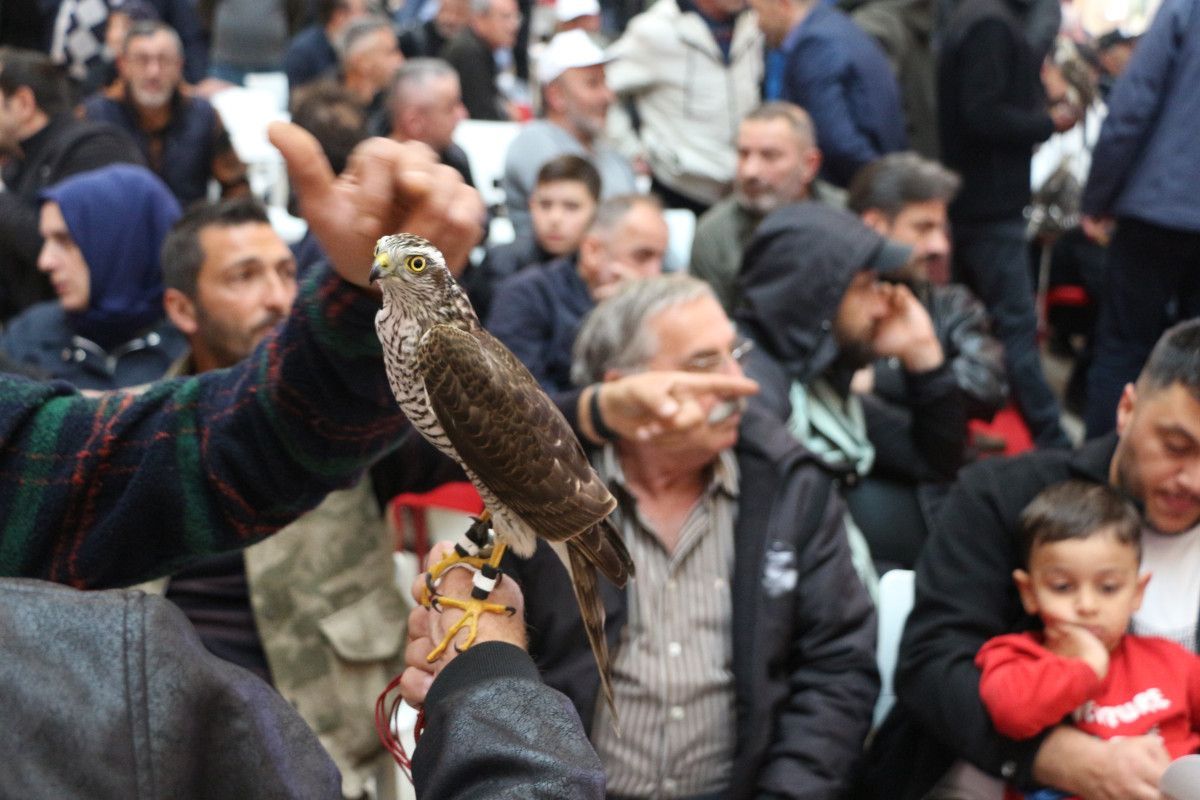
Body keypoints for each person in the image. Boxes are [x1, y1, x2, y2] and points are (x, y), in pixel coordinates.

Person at [505, 274, 878, 798]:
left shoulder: (788, 483)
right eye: (704, 364)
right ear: (624, 392)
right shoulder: (546, 492)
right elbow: (504, 677)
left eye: (736, 354)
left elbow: (838, 665)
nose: (739, 383)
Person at [857, 319, 1200, 800]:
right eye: (1176, 448)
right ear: (1126, 410)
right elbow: (932, 665)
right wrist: (1067, 761)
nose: (1193, 480)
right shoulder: (1009, 496)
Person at [147, 198, 409, 800]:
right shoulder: (137, 436)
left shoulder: (350, 412)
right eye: (245, 276)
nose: (278, 298)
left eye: (287, 273)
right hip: (169, 754)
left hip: (329, 744)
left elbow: (482, 433)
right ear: (182, 308)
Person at [737, 203, 967, 570]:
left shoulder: (815, 377)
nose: (881, 305)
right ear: (816, 297)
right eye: (864, 287)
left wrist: (924, 356)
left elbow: (936, 460)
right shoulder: (753, 393)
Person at [975, 480, 1200, 800]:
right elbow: (1012, 715)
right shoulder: (1014, 656)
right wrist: (1086, 666)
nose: (1087, 605)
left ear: (1137, 592)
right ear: (1029, 592)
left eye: (1108, 587)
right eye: (1062, 586)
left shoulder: (1173, 661)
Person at [936, 0, 1078, 449]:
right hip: (988, 205)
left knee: (968, 323)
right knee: (1015, 327)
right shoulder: (989, 24)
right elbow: (983, 113)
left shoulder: (977, 19)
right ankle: (1051, 439)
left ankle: (958, 426)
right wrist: (1045, 123)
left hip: (979, 200)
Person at [1080, 0, 1200, 438]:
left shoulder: (1185, 9)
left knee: (1122, 346)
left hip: (1159, 205)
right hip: (1163, 202)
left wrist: (1098, 198)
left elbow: (1132, 106)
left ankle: (1100, 469)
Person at [847, 152, 1008, 424]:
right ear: (874, 225)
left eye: (941, 229)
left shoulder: (952, 304)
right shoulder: (830, 298)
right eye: (923, 228)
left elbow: (987, 385)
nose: (940, 246)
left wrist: (882, 379)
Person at [0, 165, 187, 391]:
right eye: (46, 241)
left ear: (120, 244)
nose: (45, 261)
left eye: (64, 240)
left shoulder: (195, 344)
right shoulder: (28, 336)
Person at [0, 47, 142, 323]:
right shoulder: (19, 164)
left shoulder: (95, 149)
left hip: (91, 330)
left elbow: (78, 248)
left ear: (23, 103)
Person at [485, 193, 668, 392]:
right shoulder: (525, 295)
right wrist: (609, 318)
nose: (655, 273)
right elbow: (517, 396)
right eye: (642, 256)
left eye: (661, 259)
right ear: (592, 251)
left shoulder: (653, 307)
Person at [605, 0, 762, 215]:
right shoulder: (656, 29)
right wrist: (630, 150)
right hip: (679, 188)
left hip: (741, 186)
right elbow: (602, 87)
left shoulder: (753, 22)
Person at [689, 101, 845, 313]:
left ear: (809, 165)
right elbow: (713, 325)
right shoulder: (714, 235)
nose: (750, 171)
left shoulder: (848, 216)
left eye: (769, 156)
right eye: (743, 154)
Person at [81, 20, 249, 207]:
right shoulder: (94, 116)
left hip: (188, 221)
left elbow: (237, 187)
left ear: (179, 65)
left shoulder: (203, 115)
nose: (153, 72)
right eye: (142, 60)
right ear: (123, 65)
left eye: (164, 60)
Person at [749, 0, 906, 186]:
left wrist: (878, 185)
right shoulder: (838, 27)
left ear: (783, 5)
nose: (757, 24)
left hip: (850, 186)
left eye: (758, 12)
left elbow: (837, 141)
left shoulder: (814, 46)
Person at [501, 29, 636, 241]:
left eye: (605, 82)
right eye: (593, 83)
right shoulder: (533, 142)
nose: (608, 96)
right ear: (556, 95)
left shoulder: (610, 154)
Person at [465, 154, 601, 321]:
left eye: (571, 207)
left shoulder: (605, 271)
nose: (555, 218)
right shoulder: (500, 264)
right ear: (531, 205)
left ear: (596, 211)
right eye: (545, 205)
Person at [384, 58, 472, 184]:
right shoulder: (381, 175)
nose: (463, 114)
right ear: (414, 122)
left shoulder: (456, 158)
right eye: (450, 107)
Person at [440, 0, 522, 121]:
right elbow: (483, 113)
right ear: (480, 19)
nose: (514, 25)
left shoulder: (483, 48)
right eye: (505, 17)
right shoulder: (468, 52)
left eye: (516, 17)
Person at [336, 15, 405, 129]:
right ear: (362, 62)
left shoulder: (389, 106)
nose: (401, 59)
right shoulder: (329, 111)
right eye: (391, 52)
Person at [283, 0, 368, 91]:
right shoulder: (302, 52)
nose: (366, 17)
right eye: (362, 10)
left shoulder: (357, 45)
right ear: (339, 15)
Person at [398, 0, 471, 59]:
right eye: (445, 10)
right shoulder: (413, 39)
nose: (451, 19)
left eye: (459, 13)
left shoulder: (469, 45)